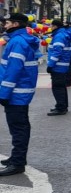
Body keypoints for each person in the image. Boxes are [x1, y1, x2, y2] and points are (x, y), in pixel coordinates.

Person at [0, 13, 39, 176]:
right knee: (18, 127)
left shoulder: (17, 42)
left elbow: (13, 71)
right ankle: (16, 158)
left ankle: (18, 163)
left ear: (16, 24)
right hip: (19, 92)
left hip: (16, 93)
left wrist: (3, 93)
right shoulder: (20, 40)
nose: (5, 25)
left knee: (18, 128)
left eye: (7, 22)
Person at [46, 19, 71, 116]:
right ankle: (62, 106)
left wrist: (50, 65)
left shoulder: (59, 36)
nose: (50, 27)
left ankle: (61, 107)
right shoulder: (63, 34)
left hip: (58, 66)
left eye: (51, 26)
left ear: (55, 26)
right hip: (62, 65)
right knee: (61, 87)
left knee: (57, 87)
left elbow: (57, 52)